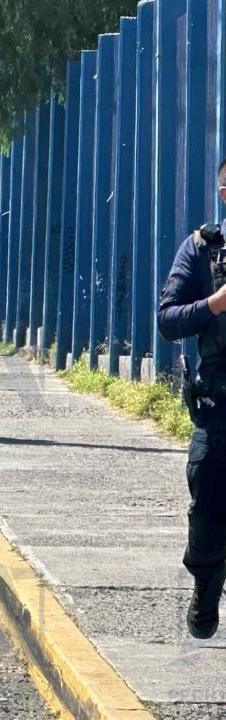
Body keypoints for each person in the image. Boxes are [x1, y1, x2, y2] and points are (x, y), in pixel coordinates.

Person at [158, 159, 226, 640]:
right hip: (219, 405)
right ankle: (207, 581)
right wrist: (215, 304)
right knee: (207, 501)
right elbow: (168, 319)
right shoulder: (202, 249)